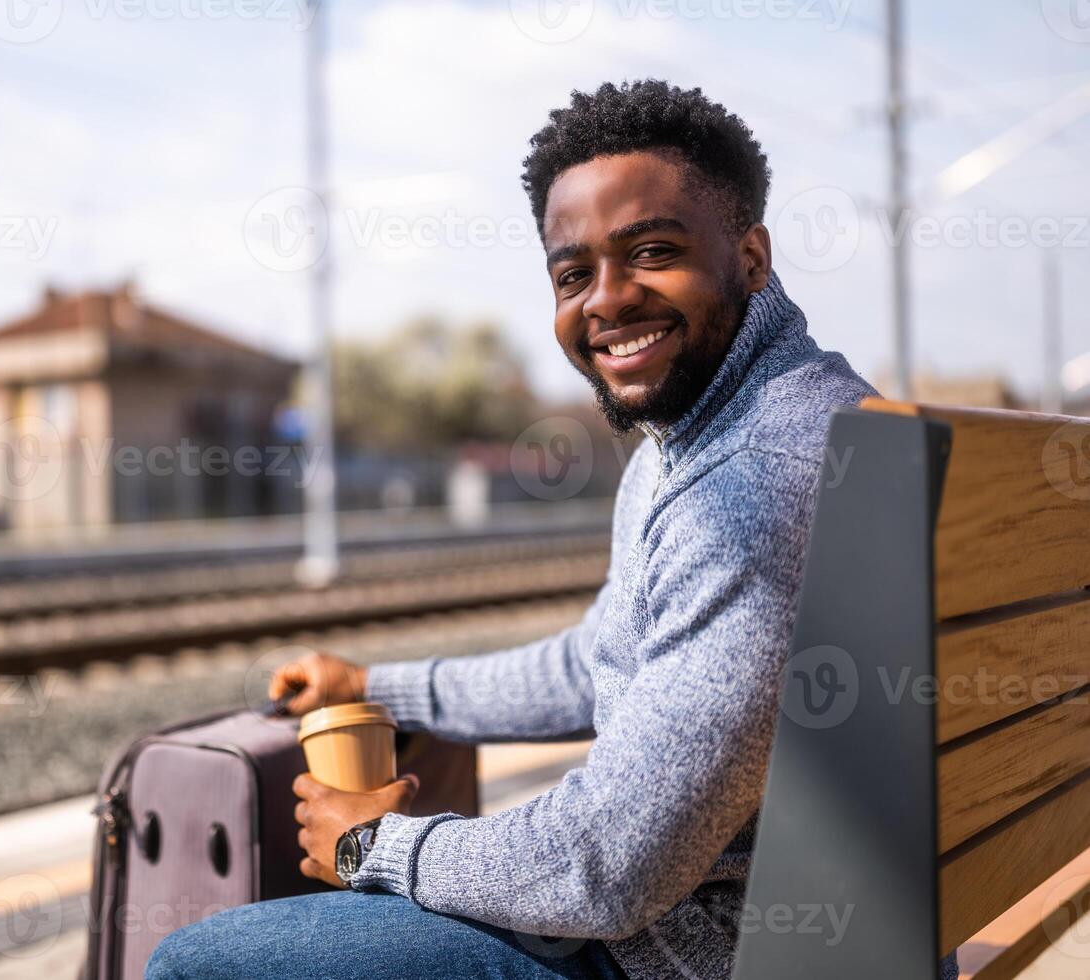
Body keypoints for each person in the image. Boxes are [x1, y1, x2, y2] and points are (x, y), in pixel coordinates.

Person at [147, 78, 957, 980]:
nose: (606, 302)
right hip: (850, 927)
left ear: (753, 255)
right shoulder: (745, 428)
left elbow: (605, 869)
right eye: (573, 274)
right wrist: (383, 686)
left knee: (197, 963)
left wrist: (373, 846)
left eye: (652, 251)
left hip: (717, 956)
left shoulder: (758, 478)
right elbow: (594, 662)